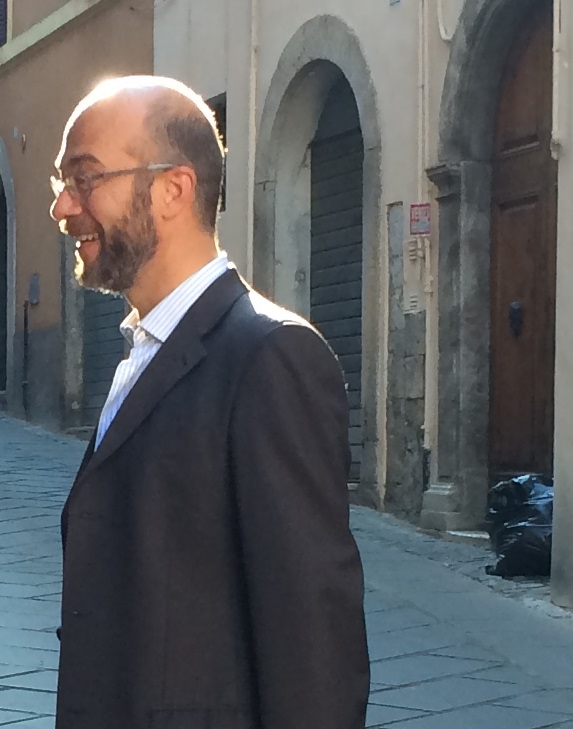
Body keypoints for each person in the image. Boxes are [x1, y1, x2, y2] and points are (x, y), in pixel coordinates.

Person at [49, 76, 369, 728]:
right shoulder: (144, 348)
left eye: (84, 179)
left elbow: (313, 642)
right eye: (60, 182)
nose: (62, 206)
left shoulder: (269, 357)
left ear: (172, 188)